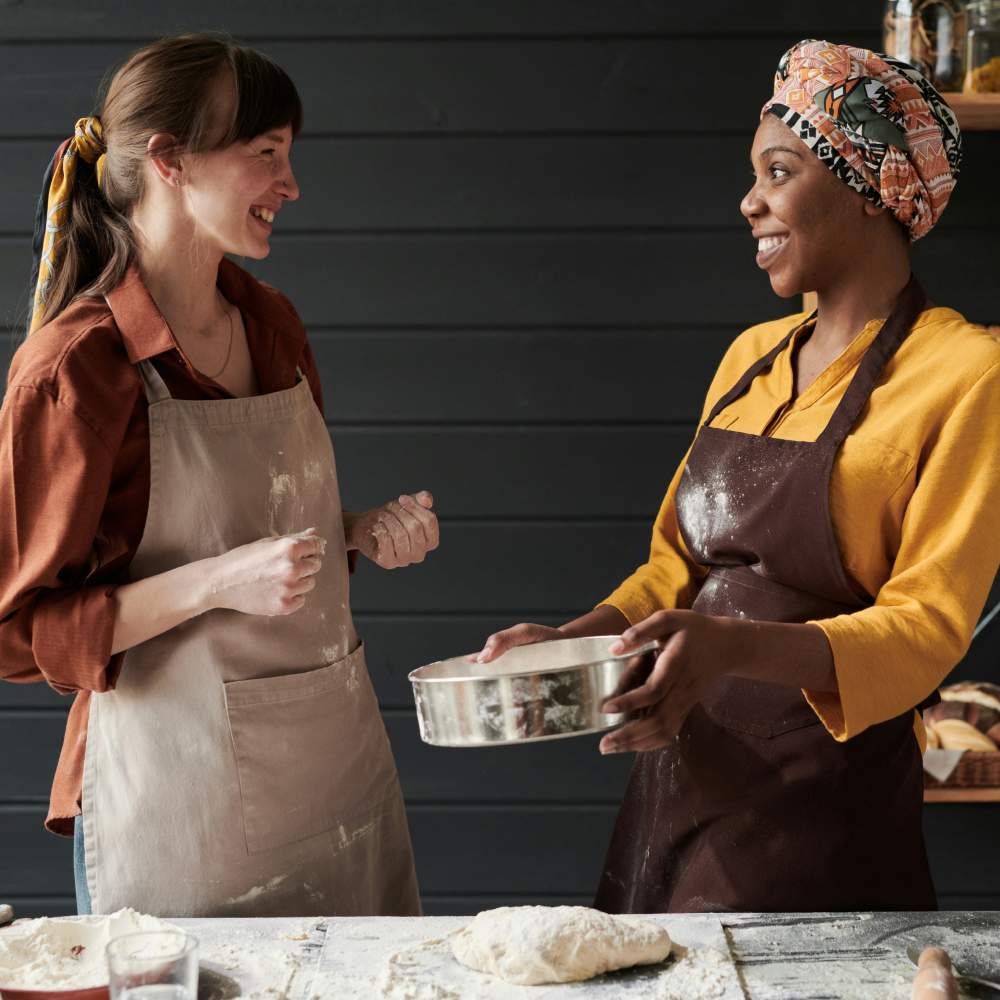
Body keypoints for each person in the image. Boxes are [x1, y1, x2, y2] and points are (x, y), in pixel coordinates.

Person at [475, 39, 1000, 912]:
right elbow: (673, 571)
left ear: (872, 189)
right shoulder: (751, 358)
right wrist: (577, 640)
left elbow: (926, 631)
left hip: (824, 811)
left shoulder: (968, 371)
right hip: (678, 779)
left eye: (780, 170)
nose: (749, 199)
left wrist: (732, 650)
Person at [0, 34, 437, 918]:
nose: (291, 183)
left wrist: (354, 528)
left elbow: (263, 522)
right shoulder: (78, 369)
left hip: (335, 782)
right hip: (179, 806)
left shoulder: (270, 322)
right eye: (265, 153)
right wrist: (214, 583)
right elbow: (15, 632)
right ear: (170, 161)